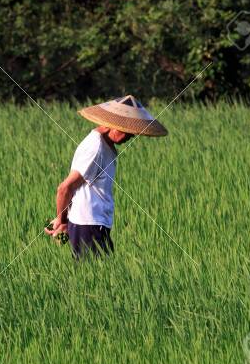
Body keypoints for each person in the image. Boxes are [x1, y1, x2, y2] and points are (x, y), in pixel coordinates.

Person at [46, 95, 168, 258]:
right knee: (94, 277)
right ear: (112, 125)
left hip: (94, 225)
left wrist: (66, 218)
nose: (130, 137)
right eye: (127, 132)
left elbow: (81, 189)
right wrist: (62, 221)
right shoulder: (95, 148)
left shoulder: (105, 146)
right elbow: (65, 188)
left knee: (100, 275)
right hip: (89, 225)